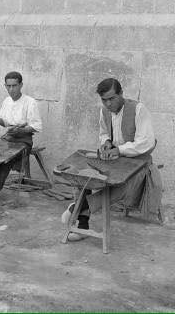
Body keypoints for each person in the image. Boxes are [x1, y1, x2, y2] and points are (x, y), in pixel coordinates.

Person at [62, 78, 162, 241]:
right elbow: (103, 133)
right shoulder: (104, 111)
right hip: (115, 161)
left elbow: (146, 142)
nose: (108, 104)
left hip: (138, 163)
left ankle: (78, 209)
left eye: (111, 98)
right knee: (84, 175)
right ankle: (83, 223)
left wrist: (120, 150)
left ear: (121, 94)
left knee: (119, 186)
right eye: (104, 100)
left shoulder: (138, 109)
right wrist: (107, 143)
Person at [0, 71, 42, 192]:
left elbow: (36, 126)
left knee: (6, 160)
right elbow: (4, 123)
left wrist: (21, 130)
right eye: (8, 86)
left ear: (21, 85)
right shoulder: (7, 101)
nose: (11, 89)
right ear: (5, 86)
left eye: (14, 86)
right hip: (8, 138)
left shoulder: (30, 102)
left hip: (23, 141)